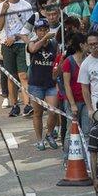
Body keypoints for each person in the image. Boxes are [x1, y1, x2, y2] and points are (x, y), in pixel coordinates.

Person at [0, 0, 33, 117]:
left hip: (20, 43)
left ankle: (28, 104)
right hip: (6, 44)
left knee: (23, 75)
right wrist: (3, 10)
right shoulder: (1, 6)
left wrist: (16, 37)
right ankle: (14, 104)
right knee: (11, 76)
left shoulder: (26, 5)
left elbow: (28, 26)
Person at [27, 18, 60, 150]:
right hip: (36, 84)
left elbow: (58, 57)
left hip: (51, 84)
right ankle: (39, 139)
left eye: (45, 29)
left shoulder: (54, 43)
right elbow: (33, 49)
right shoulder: (32, 42)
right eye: (40, 30)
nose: (43, 32)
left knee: (53, 111)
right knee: (37, 113)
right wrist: (43, 39)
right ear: (36, 31)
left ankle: (49, 133)